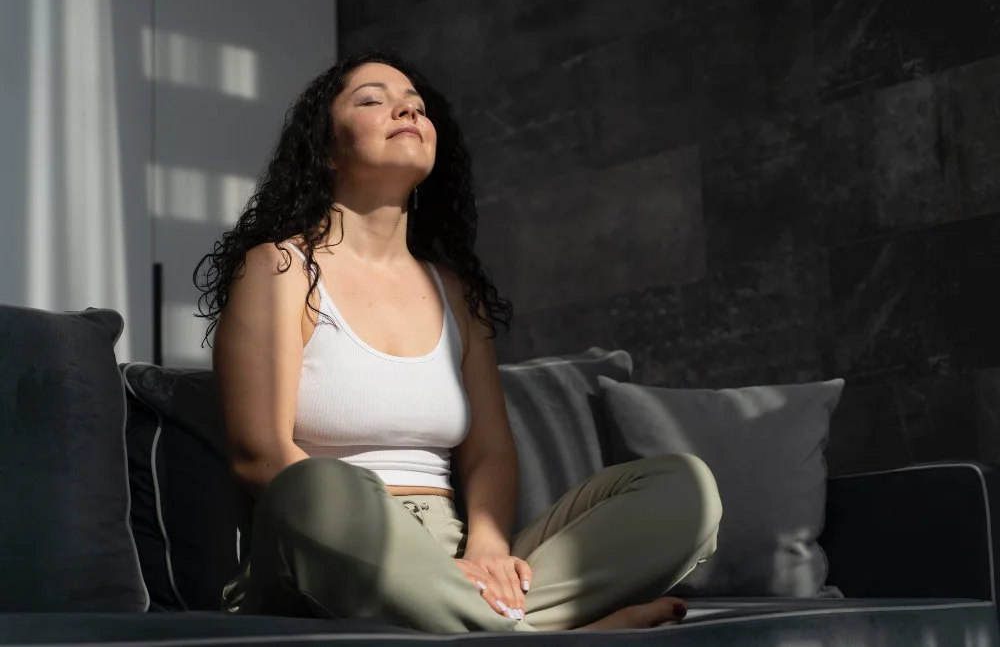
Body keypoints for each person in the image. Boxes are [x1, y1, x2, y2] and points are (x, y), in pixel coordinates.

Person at [193, 48, 722, 634]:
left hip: (453, 553)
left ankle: (477, 621)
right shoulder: (280, 268)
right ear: (325, 148)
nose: (406, 110)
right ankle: (549, 630)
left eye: (416, 105)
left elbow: (491, 452)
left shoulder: (454, 293)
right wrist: (400, 549)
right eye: (374, 100)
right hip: (330, 545)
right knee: (315, 485)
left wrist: (489, 548)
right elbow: (260, 454)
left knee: (683, 487)